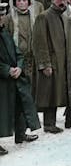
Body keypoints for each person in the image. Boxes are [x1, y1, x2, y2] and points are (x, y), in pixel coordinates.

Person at [32, 0, 71, 132]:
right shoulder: (43, 17)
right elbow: (39, 43)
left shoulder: (65, 18)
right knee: (51, 92)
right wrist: (44, 64)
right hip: (53, 61)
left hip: (68, 60)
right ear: (52, 0)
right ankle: (49, 124)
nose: (61, 2)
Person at [0, 18, 41, 155]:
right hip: (3, 79)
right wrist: (7, 70)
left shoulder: (5, 32)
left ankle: (21, 134)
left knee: (20, 105)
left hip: (14, 77)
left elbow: (18, 53)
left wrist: (19, 66)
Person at [3, 0, 41, 97]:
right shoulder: (9, 18)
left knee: (32, 88)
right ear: (14, 3)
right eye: (18, 0)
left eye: (24, 0)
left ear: (29, 2)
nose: (21, 3)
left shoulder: (35, 18)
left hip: (32, 59)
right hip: (16, 59)